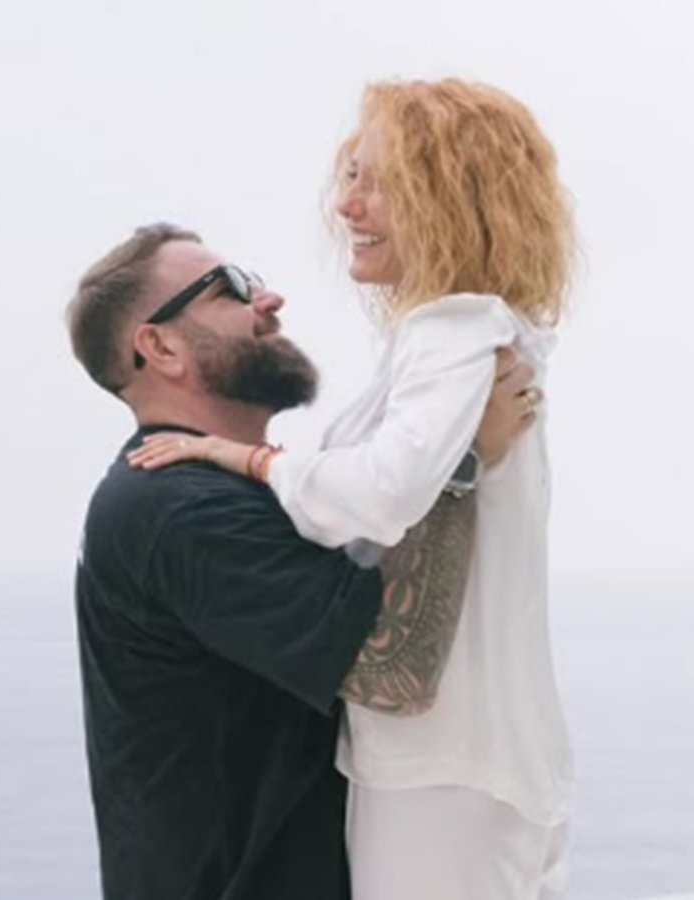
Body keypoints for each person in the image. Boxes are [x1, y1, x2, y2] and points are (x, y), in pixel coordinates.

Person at [127, 79, 575, 899]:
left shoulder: (454, 328)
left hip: (442, 770)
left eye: (379, 182)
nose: (347, 205)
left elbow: (383, 493)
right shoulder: (473, 333)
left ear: (449, 200)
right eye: (351, 175)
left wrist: (251, 461)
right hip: (476, 765)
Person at [65, 222, 536, 900]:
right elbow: (394, 672)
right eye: (230, 288)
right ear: (160, 346)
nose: (269, 299)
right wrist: (460, 465)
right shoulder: (177, 510)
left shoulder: (208, 493)